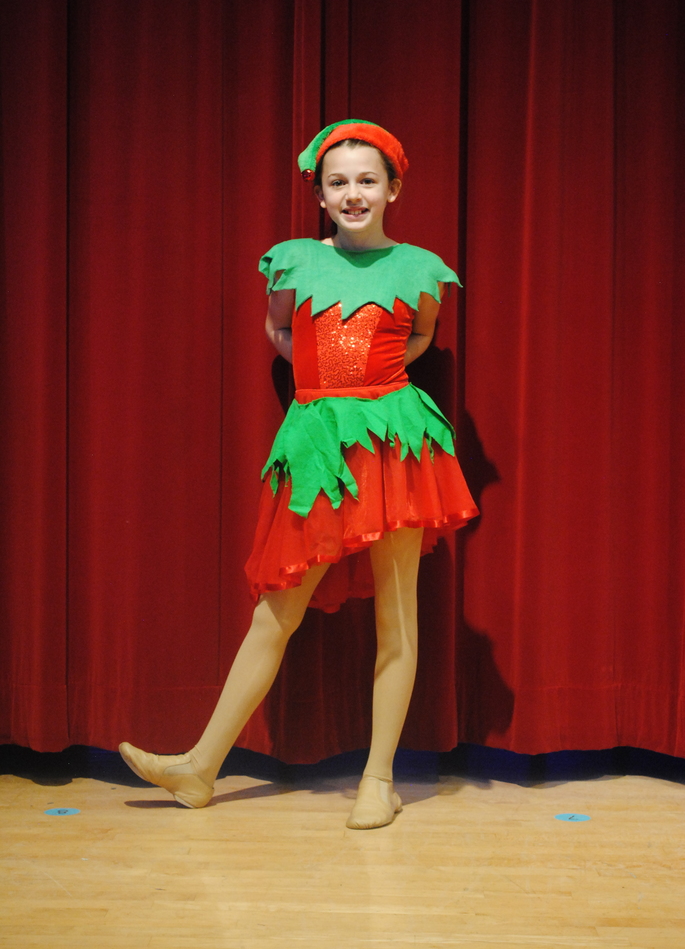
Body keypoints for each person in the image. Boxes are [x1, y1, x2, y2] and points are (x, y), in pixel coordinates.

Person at [119, 120, 478, 829]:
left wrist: (372, 386)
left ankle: (378, 779)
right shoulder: (291, 263)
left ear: (392, 189)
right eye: (338, 182)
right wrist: (320, 385)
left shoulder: (419, 269)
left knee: (395, 614)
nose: (353, 194)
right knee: (276, 609)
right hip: (317, 440)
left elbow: (420, 333)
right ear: (319, 193)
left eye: (367, 181)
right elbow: (280, 330)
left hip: (393, 440)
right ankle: (199, 768)